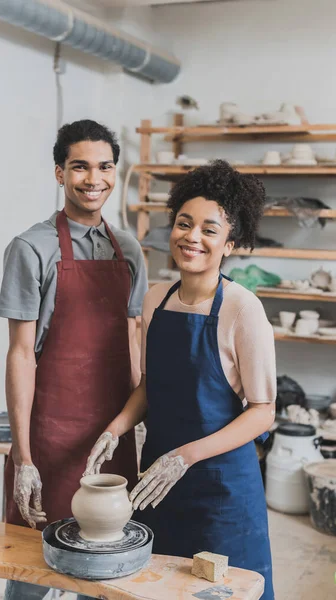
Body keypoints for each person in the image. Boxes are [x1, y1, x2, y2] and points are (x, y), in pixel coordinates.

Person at [85, 160, 276, 600]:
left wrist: (186, 456)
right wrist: (115, 429)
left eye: (210, 230)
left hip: (221, 489)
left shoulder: (242, 310)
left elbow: (263, 412)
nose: (192, 237)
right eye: (184, 224)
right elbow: (149, 388)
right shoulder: (156, 299)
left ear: (230, 243)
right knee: (156, 589)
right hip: (158, 483)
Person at [0, 120, 148, 600]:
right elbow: (21, 354)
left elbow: (132, 335)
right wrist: (23, 456)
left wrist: (137, 423)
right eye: (80, 167)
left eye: (105, 166)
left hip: (111, 438)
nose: (94, 178)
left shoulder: (129, 250)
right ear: (59, 173)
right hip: (48, 437)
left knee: (104, 573)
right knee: (30, 571)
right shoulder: (31, 248)